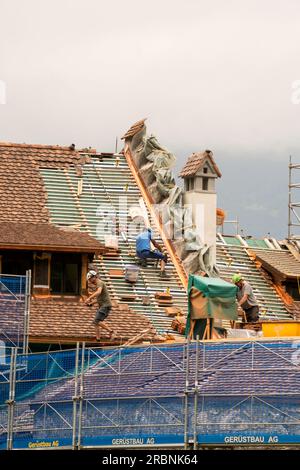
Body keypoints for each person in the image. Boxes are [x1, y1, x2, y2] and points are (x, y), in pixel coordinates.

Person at [85, 270, 115, 341]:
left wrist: (89, 298)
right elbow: (99, 299)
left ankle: (112, 332)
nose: (90, 281)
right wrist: (91, 303)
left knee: (97, 321)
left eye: (90, 279)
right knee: (96, 322)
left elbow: (98, 292)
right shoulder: (98, 285)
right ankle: (98, 339)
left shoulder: (100, 283)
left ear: (94, 277)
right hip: (103, 305)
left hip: (105, 305)